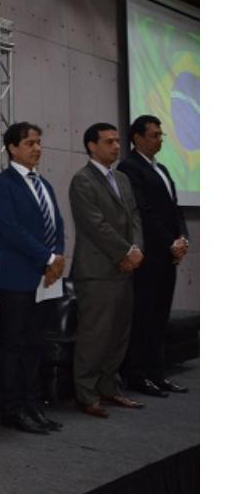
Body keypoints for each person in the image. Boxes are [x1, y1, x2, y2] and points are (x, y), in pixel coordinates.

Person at [0, 122, 66, 434]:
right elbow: (10, 228)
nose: (37, 148)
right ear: (12, 148)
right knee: (14, 346)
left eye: (39, 142)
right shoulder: (0, 184)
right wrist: (48, 258)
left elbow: (57, 224)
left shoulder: (43, 183)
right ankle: (12, 409)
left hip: (45, 277)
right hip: (16, 277)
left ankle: (33, 405)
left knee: (35, 344)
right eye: (30, 143)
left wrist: (57, 258)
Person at [68, 123, 145, 418]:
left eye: (117, 141)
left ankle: (109, 388)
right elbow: (95, 225)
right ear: (92, 145)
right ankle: (86, 394)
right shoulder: (82, 180)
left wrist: (136, 249)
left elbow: (135, 216)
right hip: (97, 271)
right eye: (109, 141)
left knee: (118, 335)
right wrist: (126, 252)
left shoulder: (122, 178)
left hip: (125, 269)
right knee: (95, 336)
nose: (116, 146)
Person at [118, 115, 190, 396]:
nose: (160, 140)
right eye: (154, 135)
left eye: (161, 135)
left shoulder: (162, 168)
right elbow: (143, 212)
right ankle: (138, 375)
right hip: (148, 256)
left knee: (160, 318)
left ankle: (157, 374)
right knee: (144, 318)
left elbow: (174, 208)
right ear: (137, 138)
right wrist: (169, 241)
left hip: (168, 255)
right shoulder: (129, 167)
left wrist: (182, 237)